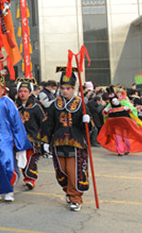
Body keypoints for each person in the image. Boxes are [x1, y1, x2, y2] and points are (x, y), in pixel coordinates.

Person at [43, 68, 91, 212]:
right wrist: (45, 141)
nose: (65, 91)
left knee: (73, 172)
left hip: (76, 144)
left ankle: (75, 197)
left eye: (68, 88)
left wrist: (87, 121)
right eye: (62, 88)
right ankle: (69, 192)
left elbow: (88, 129)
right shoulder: (55, 105)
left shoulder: (81, 104)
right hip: (58, 143)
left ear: (74, 89)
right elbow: (48, 123)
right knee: (61, 172)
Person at [0, 79, 30, 203]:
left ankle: (9, 190)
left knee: (6, 165)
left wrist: (20, 142)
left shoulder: (7, 102)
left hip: (4, 139)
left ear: (3, 89)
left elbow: (16, 123)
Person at [15, 78, 46, 191]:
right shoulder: (15, 106)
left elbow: (43, 122)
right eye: (20, 91)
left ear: (30, 93)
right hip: (19, 138)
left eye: (25, 91)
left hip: (33, 138)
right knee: (22, 159)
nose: (22, 94)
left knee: (31, 158)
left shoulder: (36, 107)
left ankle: (30, 179)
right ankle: (26, 177)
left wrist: (44, 139)